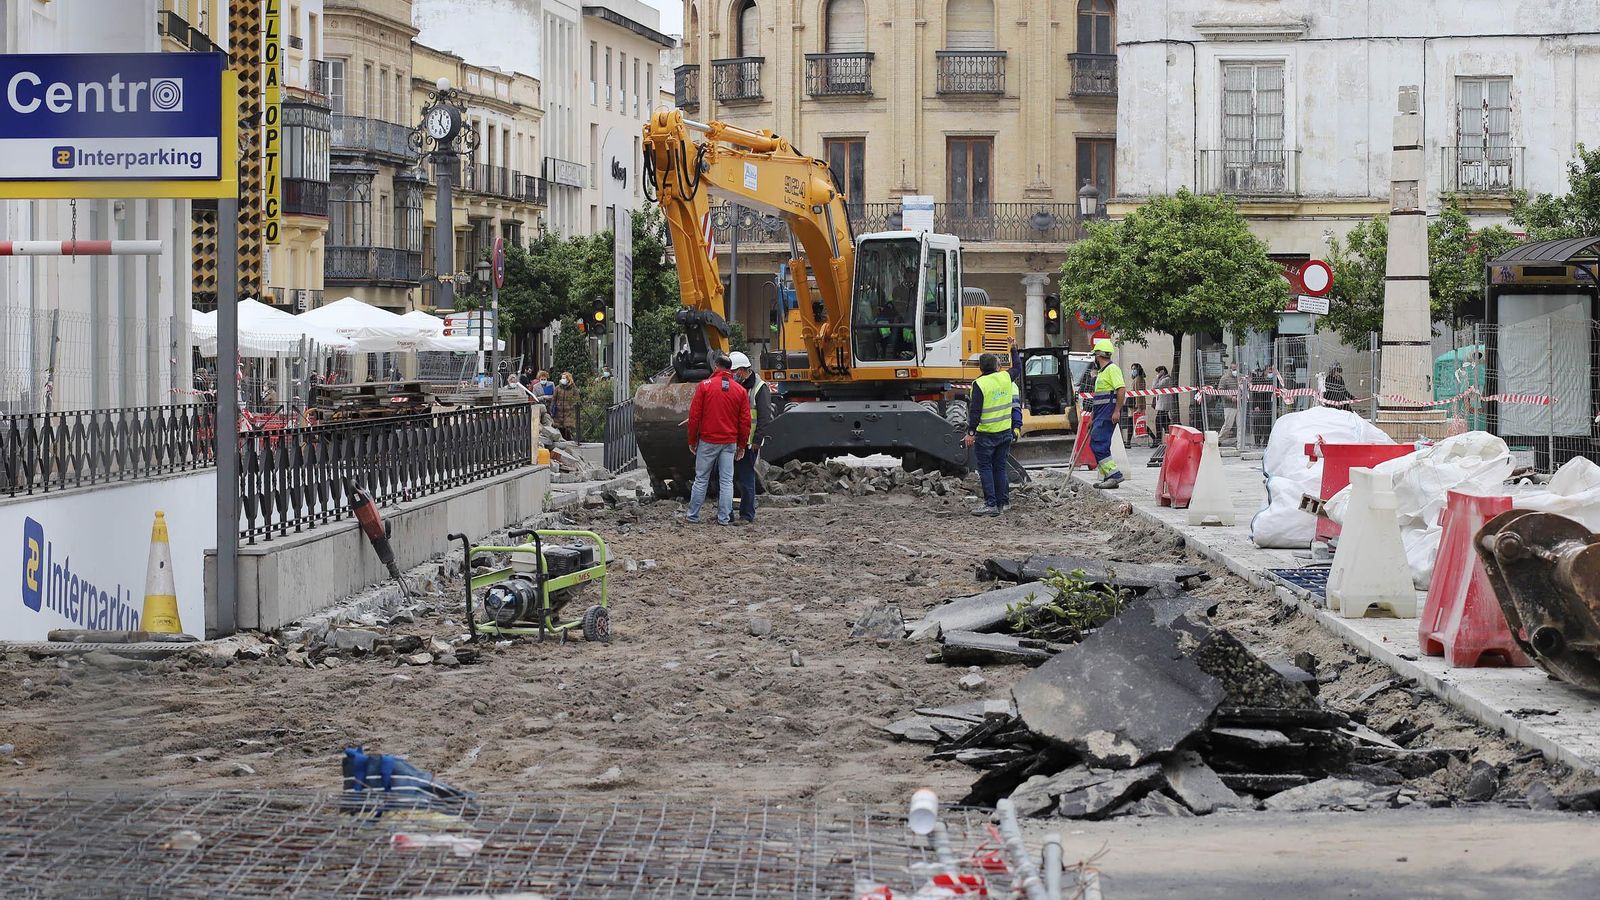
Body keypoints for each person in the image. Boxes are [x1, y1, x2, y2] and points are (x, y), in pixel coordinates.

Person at [685, 354, 750, 525]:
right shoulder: (740, 391)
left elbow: (694, 416)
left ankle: (693, 515)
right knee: (727, 480)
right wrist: (741, 445)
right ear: (730, 369)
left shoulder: (705, 386)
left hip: (708, 440)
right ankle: (724, 518)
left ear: (715, 366)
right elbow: (745, 421)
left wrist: (692, 440)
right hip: (729, 442)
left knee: (701, 479)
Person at [962, 352, 1021, 516]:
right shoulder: (1005, 377)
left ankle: (991, 504)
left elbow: (975, 412)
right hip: (1004, 432)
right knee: (1000, 467)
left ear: (980, 367)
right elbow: (1018, 367)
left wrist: (971, 432)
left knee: (985, 468)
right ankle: (1003, 502)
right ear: (996, 366)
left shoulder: (979, 384)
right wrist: (1013, 348)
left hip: (986, 434)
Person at [728, 351, 774, 524]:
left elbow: (764, 417)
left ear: (742, 370)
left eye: (734, 372)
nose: (732, 375)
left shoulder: (759, 387)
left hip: (749, 443)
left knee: (746, 478)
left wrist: (757, 440)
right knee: (728, 478)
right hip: (732, 440)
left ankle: (747, 514)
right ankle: (727, 514)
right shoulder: (736, 386)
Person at [1088, 338, 1127, 489]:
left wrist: (1117, 411)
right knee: (1099, 443)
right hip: (1100, 414)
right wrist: (1092, 418)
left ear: (1098, 355)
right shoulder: (1102, 373)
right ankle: (1109, 476)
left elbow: (1121, 389)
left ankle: (1114, 475)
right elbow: (1098, 399)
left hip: (1108, 413)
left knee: (1098, 443)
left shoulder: (1112, 369)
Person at [1216, 361, 1241, 443]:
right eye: (1233, 369)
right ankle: (1219, 440)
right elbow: (1220, 390)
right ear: (1230, 369)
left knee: (1240, 425)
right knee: (1228, 425)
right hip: (1229, 406)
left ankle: (1240, 444)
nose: (1235, 371)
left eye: (1236, 369)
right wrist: (1230, 397)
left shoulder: (1241, 378)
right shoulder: (1225, 378)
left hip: (1240, 405)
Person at [1123, 363, 1147, 444]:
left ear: (1138, 370)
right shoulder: (1137, 379)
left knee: (1137, 422)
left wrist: (1139, 406)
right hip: (1134, 403)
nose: (1132, 371)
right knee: (1135, 422)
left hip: (1135, 404)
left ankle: (1128, 442)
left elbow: (1139, 394)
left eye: (1134, 369)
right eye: (1132, 369)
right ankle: (1128, 442)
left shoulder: (1139, 379)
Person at [1151, 365, 1175, 442]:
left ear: (1162, 372)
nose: (1157, 374)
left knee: (1160, 422)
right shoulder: (1162, 379)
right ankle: (1168, 439)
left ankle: (1159, 440)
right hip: (1162, 405)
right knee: (1164, 422)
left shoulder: (1166, 379)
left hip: (1164, 405)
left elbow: (1155, 387)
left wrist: (1157, 378)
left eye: (1158, 372)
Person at [553, 371, 579, 440]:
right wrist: (552, 408)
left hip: (569, 412)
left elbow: (577, 400)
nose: (562, 379)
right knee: (560, 429)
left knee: (568, 429)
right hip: (559, 412)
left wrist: (572, 406)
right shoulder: (558, 388)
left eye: (564, 378)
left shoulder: (573, 388)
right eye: (562, 378)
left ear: (568, 379)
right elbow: (554, 399)